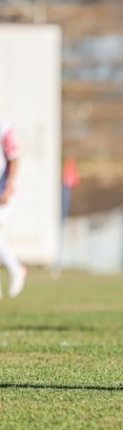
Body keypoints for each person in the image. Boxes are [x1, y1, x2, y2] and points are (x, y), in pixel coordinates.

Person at [0, 121, 26, 299]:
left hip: (3, 193)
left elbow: (14, 159)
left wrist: (8, 187)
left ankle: (15, 268)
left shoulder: (3, 129)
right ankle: (15, 268)